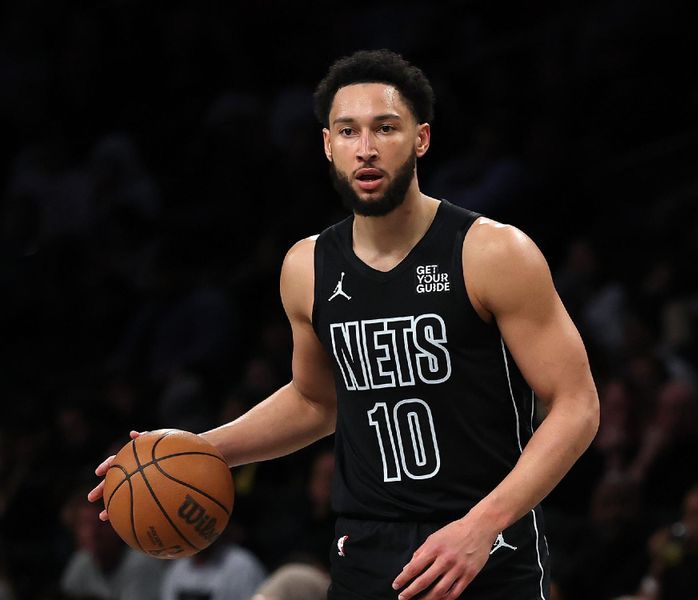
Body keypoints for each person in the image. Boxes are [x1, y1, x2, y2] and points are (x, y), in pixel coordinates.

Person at [89, 49, 599, 600]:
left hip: (485, 542)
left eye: (386, 128)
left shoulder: (493, 251)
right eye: (348, 131)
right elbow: (316, 401)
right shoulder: (306, 267)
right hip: (365, 548)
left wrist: (483, 524)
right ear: (328, 146)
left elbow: (576, 404)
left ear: (421, 139)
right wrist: (192, 452)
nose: (367, 148)